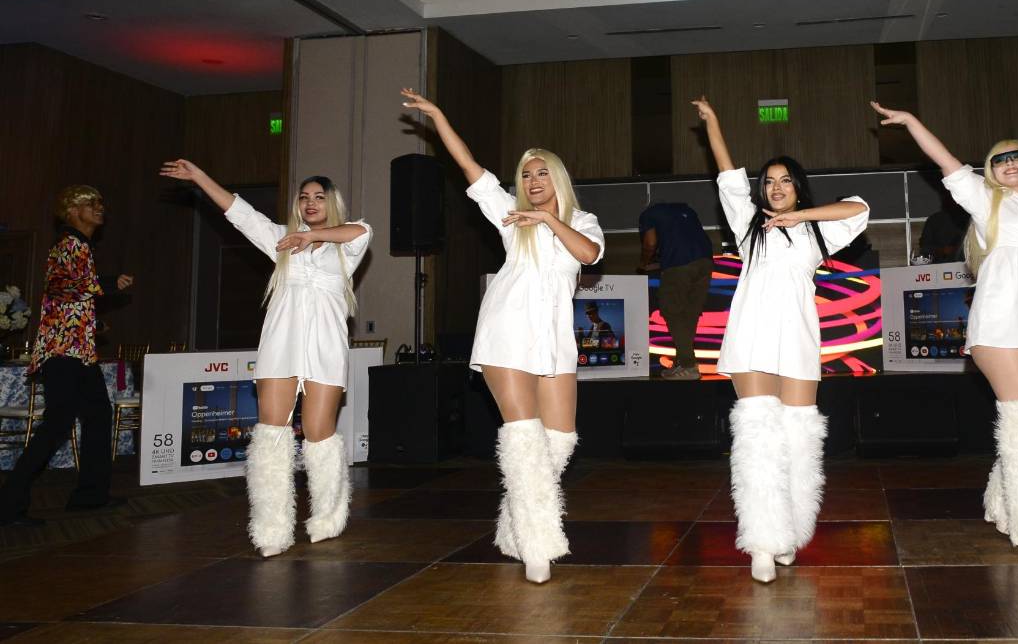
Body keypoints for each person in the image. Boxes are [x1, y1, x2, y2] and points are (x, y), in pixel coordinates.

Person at [871, 101, 1018, 559]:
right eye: (999, 159)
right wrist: (913, 122)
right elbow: (945, 161)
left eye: (1016, 156)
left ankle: (1000, 498)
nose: (1008, 162)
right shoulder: (982, 198)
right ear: (992, 172)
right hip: (999, 323)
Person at [402, 88, 603, 584]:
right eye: (526, 175)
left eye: (541, 173)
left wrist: (550, 219)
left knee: (558, 442)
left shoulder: (579, 220)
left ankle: (514, 529)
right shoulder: (507, 216)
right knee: (524, 439)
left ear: (557, 179)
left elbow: (590, 255)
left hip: (554, 342)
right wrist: (438, 117)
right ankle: (538, 547)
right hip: (506, 334)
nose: (533, 182)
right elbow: (469, 166)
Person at [692, 97, 869, 583]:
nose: (775, 189)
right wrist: (713, 123)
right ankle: (763, 543)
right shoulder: (748, 229)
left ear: (798, 188)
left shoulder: (818, 235)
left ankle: (789, 531)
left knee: (798, 442)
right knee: (757, 442)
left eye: (784, 180)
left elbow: (858, 208)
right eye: (768, 182)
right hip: (750, 339)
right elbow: (727, 174)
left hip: (797, 342)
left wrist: (804, 216)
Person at [160, 160, 371, 557]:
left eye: (318, 197)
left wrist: (313, 239)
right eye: (304, 198)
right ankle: (271, 527)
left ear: (332, 204)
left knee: (318, 434)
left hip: (326, 348)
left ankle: (328, 515)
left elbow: (360, 229)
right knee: (272, 433)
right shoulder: (279, 238)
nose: (310, 203)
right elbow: (238, 212)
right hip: (280, 345)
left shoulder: (349, 243)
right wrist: (201, 177)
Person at [0, 186, 133, 526]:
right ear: (72, 211)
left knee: (99, 415)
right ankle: (9, 504)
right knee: (57, 424)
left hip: (78, 352)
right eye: (91, 203)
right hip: (63, 354)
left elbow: (68, 302)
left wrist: (93, 323)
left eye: (101, 202)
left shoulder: (82, 246)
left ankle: (90, 495)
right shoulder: (69, 244)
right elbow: (61, 285)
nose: (99, 208)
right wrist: (107, 282)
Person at [638, 201, 713, 380]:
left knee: (671, 309)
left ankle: (689, 365)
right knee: (689, 313)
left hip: (679, 262)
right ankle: (682, 364)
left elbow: (650, 243)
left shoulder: (648, 215)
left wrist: (643, 263)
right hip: (705, 260)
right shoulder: (687, 209)